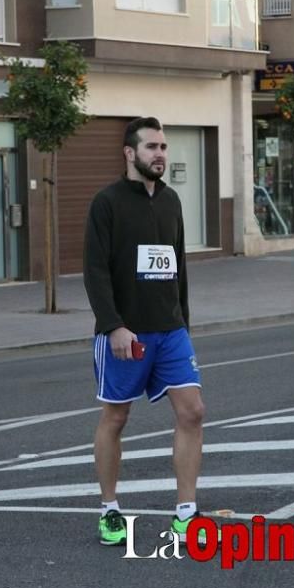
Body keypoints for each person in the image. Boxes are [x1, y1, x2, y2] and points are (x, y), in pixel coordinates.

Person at [83, 117, 211, 547]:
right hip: (126, 333)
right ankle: (109, 509)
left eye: (163, 146)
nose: (159, 153)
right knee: (116, 417)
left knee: (192, 411)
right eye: (151, 146)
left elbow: (178, 269)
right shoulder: (107, 203)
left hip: (171, 330)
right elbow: (95, 272)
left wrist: (185, 324)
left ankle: (187, 514)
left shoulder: (172, 201)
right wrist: (113, 326)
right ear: (129, 153)